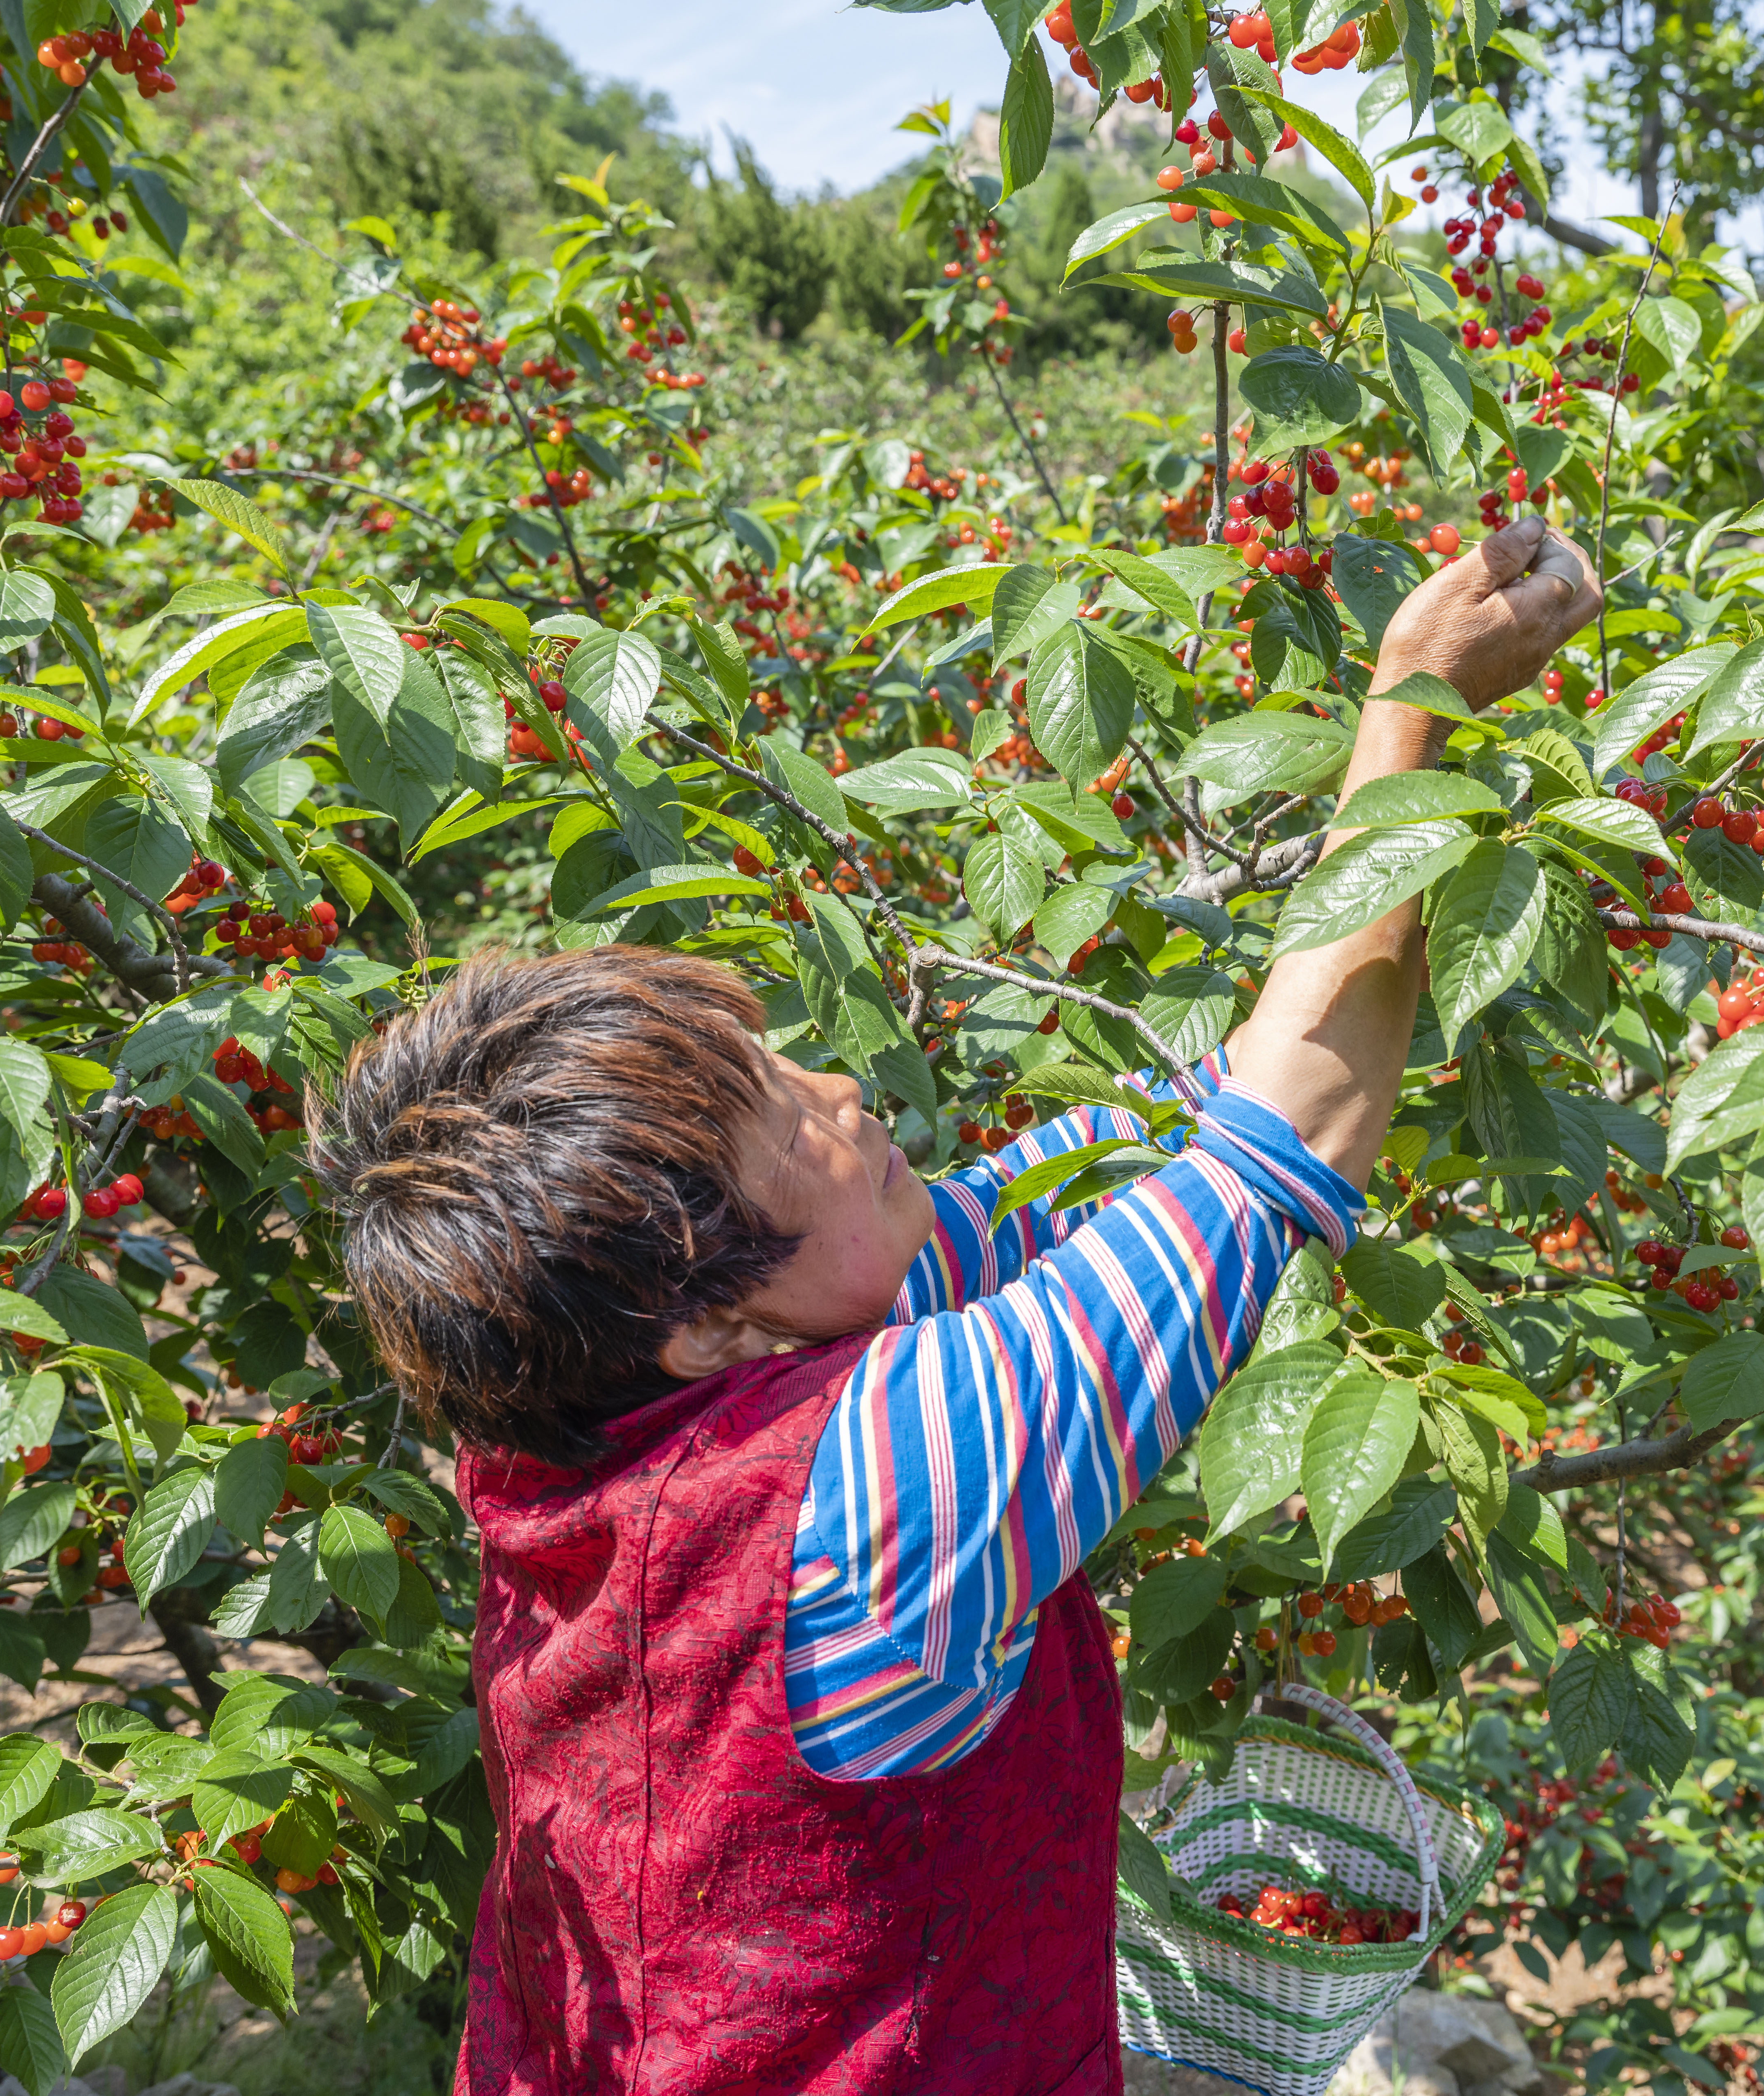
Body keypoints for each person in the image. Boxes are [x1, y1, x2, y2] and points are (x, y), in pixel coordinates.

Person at [310, 516, 1600, 2094]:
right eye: (789, 1123)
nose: (847, 1090)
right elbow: (1285, 1136)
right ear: (711, 1324)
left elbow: (1147, 1148)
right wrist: (1417, 713)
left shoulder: (553, 1410)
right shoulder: (890, 1478)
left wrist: (1400, 880)